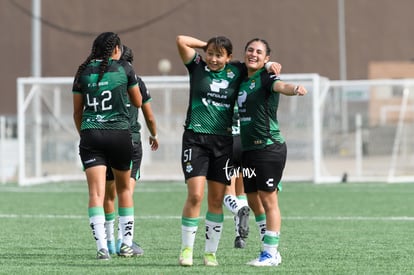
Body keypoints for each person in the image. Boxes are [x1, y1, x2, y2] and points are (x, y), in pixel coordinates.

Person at [176, 35, 281, 267]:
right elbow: (181, 40)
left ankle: (210, 253)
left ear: (229, 57)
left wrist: (269, 65)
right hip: (195, 139)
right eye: (211, 54)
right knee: (195, 195)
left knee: (216, 199)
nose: (213, 59)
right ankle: (186, 250)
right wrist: (208, 46)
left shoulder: (237, 71)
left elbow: (257, 66)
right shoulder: (197, 67)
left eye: (219, 55)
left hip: (223, 142)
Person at [237, 38, 307, 267]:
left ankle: (270, 253)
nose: (253, 54)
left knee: (268, 200)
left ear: (266, 58)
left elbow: (281, 86)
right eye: (250, 50)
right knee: (252, 199)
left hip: (268, 147)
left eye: (259, 52)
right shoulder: (240, 77)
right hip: (248, 150)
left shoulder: (266, 77)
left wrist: (294, 89)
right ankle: (266, 246)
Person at [72, 32, 142, 260]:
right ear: (116, 50)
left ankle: (102, 248)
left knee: (96, 193)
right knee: (123, 190)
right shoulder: (124, 69)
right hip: (120, 134)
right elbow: (138, 102)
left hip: (91, 134)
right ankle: (127, 245)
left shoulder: (82, 72)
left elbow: (77, 111)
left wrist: (84, 133)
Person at [103, 45, 159, 256]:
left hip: (104, 139)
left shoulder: (103, 80)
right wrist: (154, 134)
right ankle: (124, 243)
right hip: (130, 141)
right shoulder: (136, 80)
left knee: (107, 195)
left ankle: (108, 244)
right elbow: (149, 115)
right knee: (126, 192)